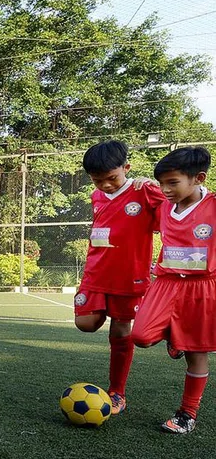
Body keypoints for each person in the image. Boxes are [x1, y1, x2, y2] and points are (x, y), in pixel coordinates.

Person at [73, 141, 166, 415]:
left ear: (127, 168)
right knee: (86, 323)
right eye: (98, 180)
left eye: (112, 178)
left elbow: (171, 218)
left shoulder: (145, 191)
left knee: (121, 331)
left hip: (130, 276)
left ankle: (117, 392)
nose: (106, 185)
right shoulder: (96, 196)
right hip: (96, 271)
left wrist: (159, 189)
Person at [132, 146, 215, 434]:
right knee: (140, 336)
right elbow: (141, 188)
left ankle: (187, 413)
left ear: (198, 178)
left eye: (173, 183)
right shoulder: (164, 201)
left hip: (202, 287)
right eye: (162, 183)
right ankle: (174, 337)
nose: (165, 189)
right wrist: (143, 181)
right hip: (165, 283)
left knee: (197, 352)